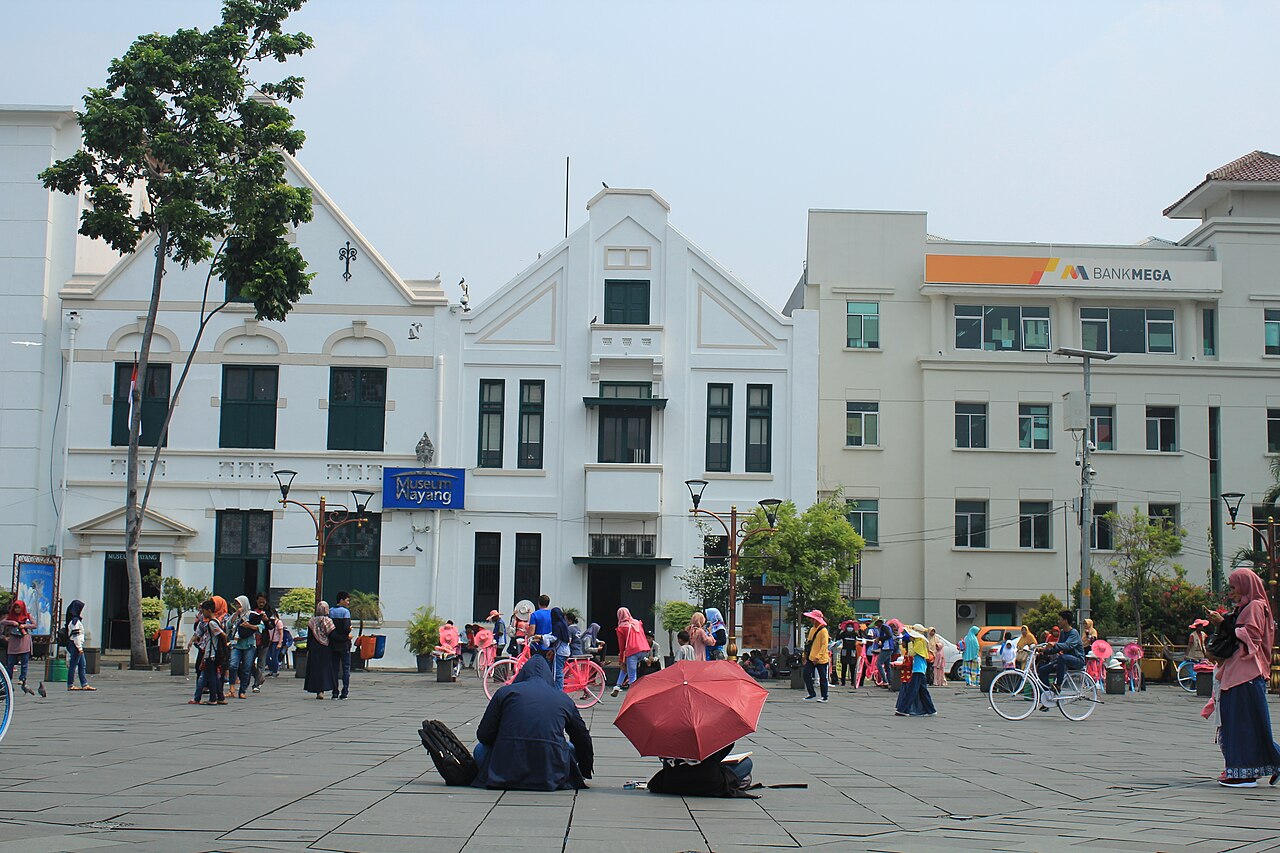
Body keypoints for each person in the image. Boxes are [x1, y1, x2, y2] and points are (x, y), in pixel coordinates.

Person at [472, 655, 594, 791]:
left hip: (505, 770)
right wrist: (584, 769)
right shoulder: (563, 699)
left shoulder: (505, 693)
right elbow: (582, 737)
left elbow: (484, 735)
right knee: (570, 746)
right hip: (550, 772)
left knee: (479, 749)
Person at [1206, 568, 1280, 788]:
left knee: (1244, 724)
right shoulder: (1244, 607)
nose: (1232, 592)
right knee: (1240, 723)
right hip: (1237, 672)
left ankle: (1243, 772)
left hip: (1246, 673)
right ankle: (1243, 768)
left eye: (1233, 587)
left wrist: (1223, 623)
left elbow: (1250, 637)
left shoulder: (1256, 606)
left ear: (1245, 585)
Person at [1037, 611, 1086, 701]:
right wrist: (1044, 651)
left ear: (1065, 621)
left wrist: (1054, 643)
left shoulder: (1074, 633)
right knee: (1042, 670)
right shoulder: (1063, 633)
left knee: (1062, 658)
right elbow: (1058, 648)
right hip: (1065, 660)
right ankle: (1048, 696)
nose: (1058, 621)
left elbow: (1067, 645)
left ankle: (1058, 685)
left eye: (1060, 619)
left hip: (1078, 660)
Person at [895, 624, 937, 717]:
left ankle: (903, 709)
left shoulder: (919, 642)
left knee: (912, 690)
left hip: (918, 669)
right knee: (923, 691)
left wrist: (910, 643)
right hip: (919, 669)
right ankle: (931, 710)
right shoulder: (919, 641)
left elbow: (911, 653)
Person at [610, 607, 648, 697]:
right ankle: (617, 685)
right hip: (644, 649)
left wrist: (621, 659)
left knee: (632, 675)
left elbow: (622, 646)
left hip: (632, 651)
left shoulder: (622, 627)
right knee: (626, 667)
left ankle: (633, 696)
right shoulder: (637, 623)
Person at [303, 601, 337, 699]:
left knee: (315, 669)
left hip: (314, 647)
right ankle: (323, 688)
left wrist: (307, 649)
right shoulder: (328, 621)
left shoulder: (312, 621)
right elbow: (332, 635)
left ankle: (318, 690)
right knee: (324, 669)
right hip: (325, 647)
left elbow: (309, 637)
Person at [2, 598, 36, 689]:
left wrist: (24, 626)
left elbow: (34, 625)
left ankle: (22, 678)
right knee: (10, 662)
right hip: (14, 640)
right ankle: (8, 678)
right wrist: (13, 622)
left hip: (24, 640)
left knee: (24, 662)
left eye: (19, 608)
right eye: (16, 608)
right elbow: (3, 621)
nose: (17, 610)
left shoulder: (27, 616)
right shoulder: (11, 616)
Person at [64, 600, 95, 691]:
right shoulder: (75, 621)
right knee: (74, 665)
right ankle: (71, 684)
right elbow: (76, 635)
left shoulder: (72, 620)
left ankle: (84, 684)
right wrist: (80, 647)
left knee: (82, 664)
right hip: (75, 645)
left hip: (74, 644)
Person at [802, 609, 830, 702]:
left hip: (821, 659)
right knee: (806, 674)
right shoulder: (812, 629)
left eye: (812, 618)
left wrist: (818, 657)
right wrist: (805, 655)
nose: (811, 620)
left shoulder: (823, 631)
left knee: (823, 677)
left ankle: (824, 696)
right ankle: (811, 693)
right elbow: (808, 643)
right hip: (811, 656)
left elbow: (824, 645)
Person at [329, 592, 353, 699]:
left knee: (334, 668)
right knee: (346, 668)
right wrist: (349, 632)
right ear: (342, 600)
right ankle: (345, 692)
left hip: (333, 643)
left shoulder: (331, 611)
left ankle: (334, 691)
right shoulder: (345, 612)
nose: (348, 603)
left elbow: (329, 628)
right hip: (344, 643)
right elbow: (346, 627)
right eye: (347, 600)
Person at [549, 607, 572, 690]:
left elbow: (555, 637)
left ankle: (559, 692)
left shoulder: (557, 625)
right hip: (565, 650)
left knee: (558, 673)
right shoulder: (563, 624)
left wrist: (543, 637)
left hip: (560, 652)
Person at [530, 594, 553, 662]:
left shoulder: (535, 614)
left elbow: (531, 632)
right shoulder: (552, 614)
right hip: (550, 645)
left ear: (538, 603)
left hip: (538, 645)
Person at [836, 620, 859, 686]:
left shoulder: (855, 634)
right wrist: (839, 630)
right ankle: (843, 682)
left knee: (852, 667)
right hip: (844, 651)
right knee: (844, 667)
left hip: (852, 651)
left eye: (851, 626)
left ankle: (853, 682)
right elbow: (837, 638)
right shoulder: (843, 634)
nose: (850, 628)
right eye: (848, 626)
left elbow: (860, 638)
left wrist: (859, 631)